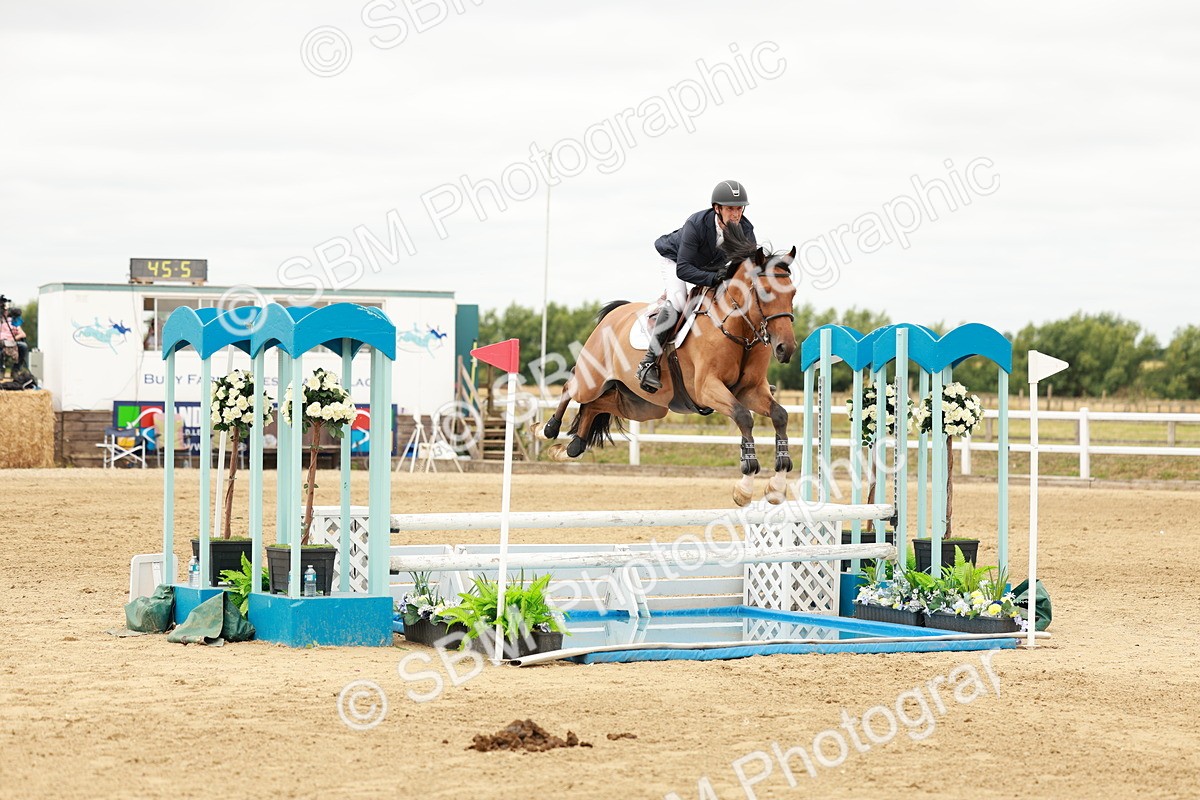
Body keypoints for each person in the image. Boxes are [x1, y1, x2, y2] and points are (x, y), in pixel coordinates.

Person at [636, 180, 757, 392]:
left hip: (711, 268)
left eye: (739, 208)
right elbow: (684, 269)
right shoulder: (697, 224)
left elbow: (749, 268)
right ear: (717, 208)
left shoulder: (746, 229)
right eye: (730, 209)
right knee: (679, 301)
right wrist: (714, 278)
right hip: (676, 261)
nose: (736, 214)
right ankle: (648, 363)